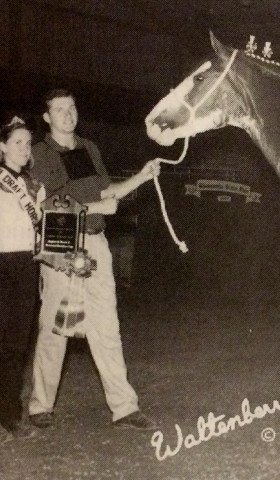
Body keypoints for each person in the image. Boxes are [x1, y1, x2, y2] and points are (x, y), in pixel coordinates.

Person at [28, 89, 160, 430]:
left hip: (97, 246)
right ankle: (41, 405)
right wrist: (95, 208)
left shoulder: (89, 148)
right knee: (56, 327)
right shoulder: (38, 154)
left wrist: (142, 177)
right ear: (47, 118)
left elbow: (108, 194)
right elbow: (51, 205)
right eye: (59, 109)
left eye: (72, 107)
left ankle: (124, 407)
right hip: (60, 248)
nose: (68, 114)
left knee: (107, 326)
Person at [0, 117, 43, 443]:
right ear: (2, 147)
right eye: (17, 142)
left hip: (26, 264)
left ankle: (9, 414)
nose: (24, 148)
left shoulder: (34, 185)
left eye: (28, 143)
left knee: (16, 344)